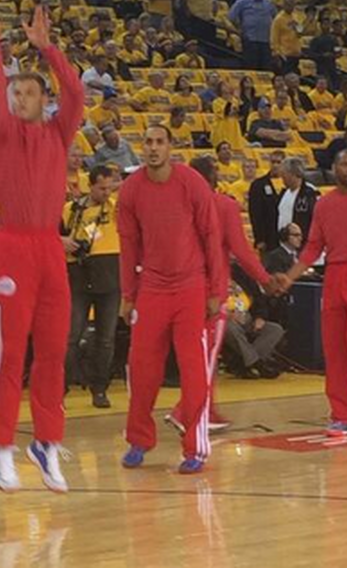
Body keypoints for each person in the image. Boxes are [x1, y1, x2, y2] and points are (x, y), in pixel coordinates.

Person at [0, 3, 83, 493]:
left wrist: (47, 50)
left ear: (44, 100)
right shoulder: (1, 131)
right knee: (7, 353)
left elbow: (76, 91)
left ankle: (47, 443)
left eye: (29, 92)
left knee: (54, 352)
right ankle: (1, 447)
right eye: (15, 92)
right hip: (13, 245)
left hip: (49, 252)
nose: (18, 98)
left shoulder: (60, 132)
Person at [118, 125, 223, 474]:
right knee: (143, 367)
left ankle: (195, 447)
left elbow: (212, 236)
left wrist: (216, 291)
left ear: (170, 147)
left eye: (159, 142)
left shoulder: (191, 182)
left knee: (194, 371)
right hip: (152, 288)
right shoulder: (131, 189)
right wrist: (127, 295)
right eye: (147, 142)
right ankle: (138, 439)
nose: (152, 148)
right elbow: (128, 246)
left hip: (191, 286)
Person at [278, 149, 347, 438]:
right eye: (344, 164)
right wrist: (290, 277)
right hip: (334, 275)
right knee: (334, 348)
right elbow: (313, 247)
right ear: (335, 168)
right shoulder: (324, 205)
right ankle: (342, 415)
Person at [164, 155, 275, 434]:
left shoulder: (179, 206)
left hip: (178, 289)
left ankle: (207, 410)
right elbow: (241, 249)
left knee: (197, 356)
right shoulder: (224, 206)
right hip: (211, 291)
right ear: (213, 177)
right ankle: (186, 411)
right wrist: (265, 279)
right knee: (206, 357)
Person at [62, 165, 119, 409]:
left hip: (110, 273)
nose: (106, 192)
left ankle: (99, 389)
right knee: (71, 336)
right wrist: (61, 241)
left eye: (109, 187)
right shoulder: (71, 209)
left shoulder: (116, 207)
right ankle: (59, 389)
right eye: (101, 188)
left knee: (105, 339)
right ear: (90, 185)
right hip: (78, 273)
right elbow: (51, 234)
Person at [228, 0, 276, 71]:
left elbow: (274, 15)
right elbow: (232, 16)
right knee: (251, 65)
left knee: (266, 66)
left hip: (265, 39)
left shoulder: (268, 2)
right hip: (250, 38)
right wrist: (239, 29)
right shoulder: (242, 1)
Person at [248, 149, 285, 254]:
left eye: (278, 162)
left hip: (287, 239)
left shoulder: (290, 185)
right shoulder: (258, 185)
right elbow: (255, 214)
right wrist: (259, 239)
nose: (275, 165)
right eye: (273, 162)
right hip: (268, 238)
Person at [277, 157, 317, 241]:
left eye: (284, 174)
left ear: (292, 174)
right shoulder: (284, 192)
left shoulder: (310, 192)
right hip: (284, 242)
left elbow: (316, 217)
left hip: (303, 241)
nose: (282, 177)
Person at [270, 0, 302, 75]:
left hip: (295, 53)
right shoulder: (278, 19)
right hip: (284, 54)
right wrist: (276, 53)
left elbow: (300, 32)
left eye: (292, 5)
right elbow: (274, 37)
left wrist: (298, 29)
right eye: (288, 5)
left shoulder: (296, 16)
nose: (290, 7)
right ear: (284, 5)